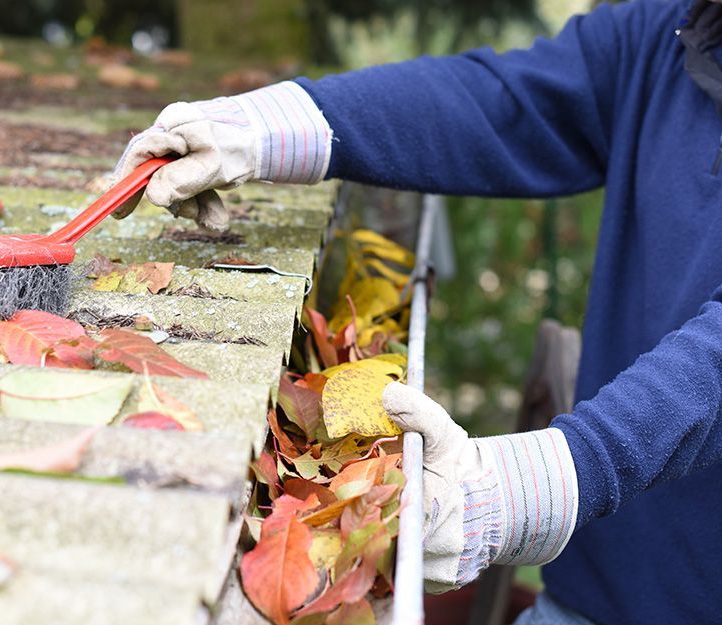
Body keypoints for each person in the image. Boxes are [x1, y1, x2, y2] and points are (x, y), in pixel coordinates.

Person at [110, 0, 722, 623]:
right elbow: (502, 104)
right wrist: (267, 125)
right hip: (593, 598)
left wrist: (554, 478)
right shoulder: (672, 31)